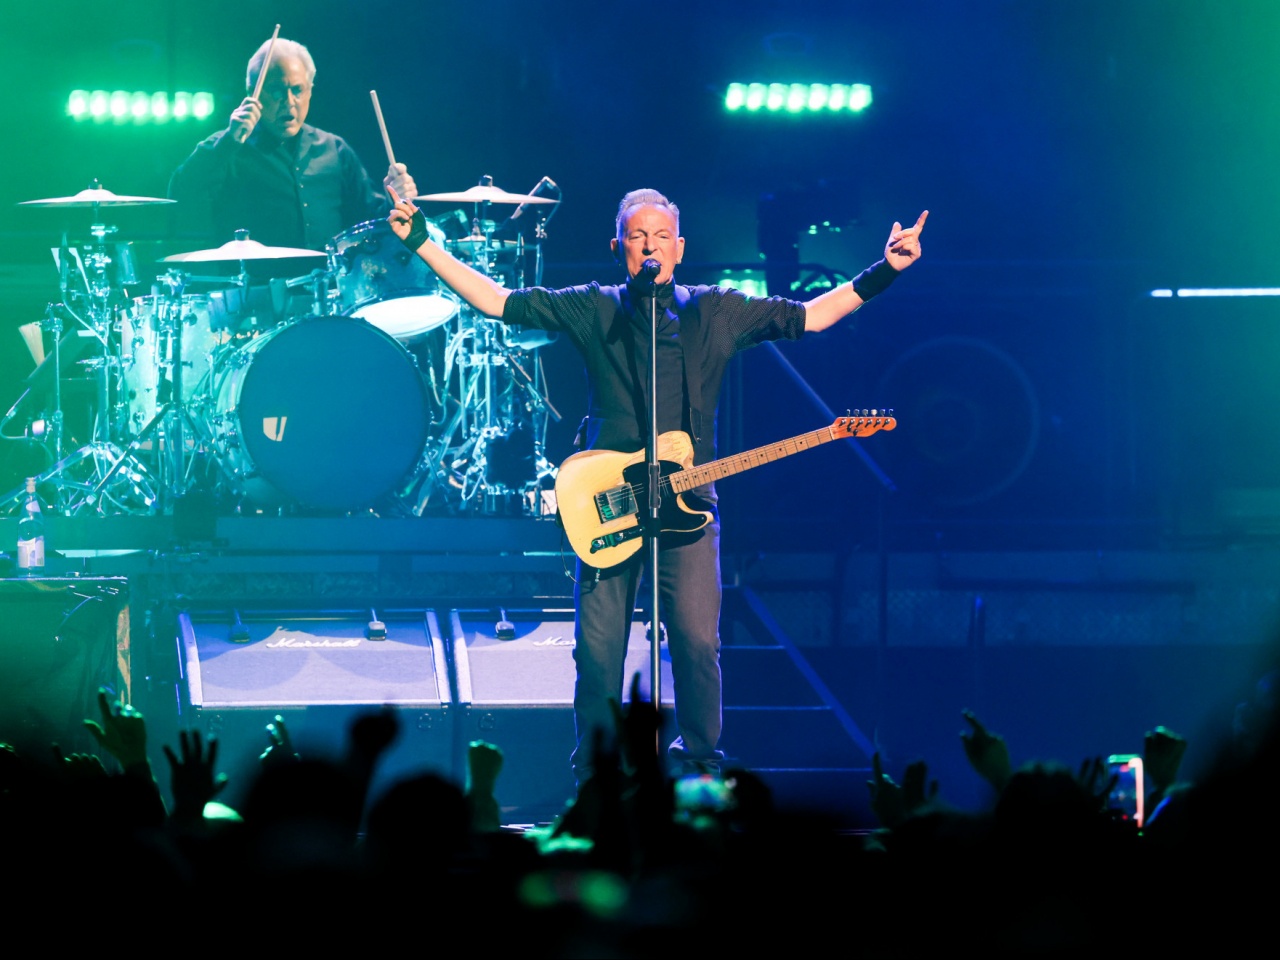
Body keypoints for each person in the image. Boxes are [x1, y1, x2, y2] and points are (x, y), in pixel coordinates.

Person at [387, 185, 927, 781]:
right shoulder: (595, 307)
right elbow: (496, 301)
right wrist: (423, 242)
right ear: (618, 246)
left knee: (697, 641)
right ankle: (597, 773)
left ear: (680, 247)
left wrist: (884, 271)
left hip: (689, 501)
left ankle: (700, 767)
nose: (651, 246)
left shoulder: (715, 312)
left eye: (662, 236)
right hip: (606, 501)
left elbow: (812, 316)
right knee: (599, 653)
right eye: (638, 236)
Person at [168, 36, 416, 252]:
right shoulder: (228, 148)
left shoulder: (335, 150)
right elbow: (180, 196)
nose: (289, 101)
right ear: (252, 92)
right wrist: (228, 142)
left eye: (297, 90)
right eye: (276, 90)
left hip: (330, 286)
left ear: (310, 91)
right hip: (257, 287)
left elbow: (369, 222)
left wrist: (396, 200)